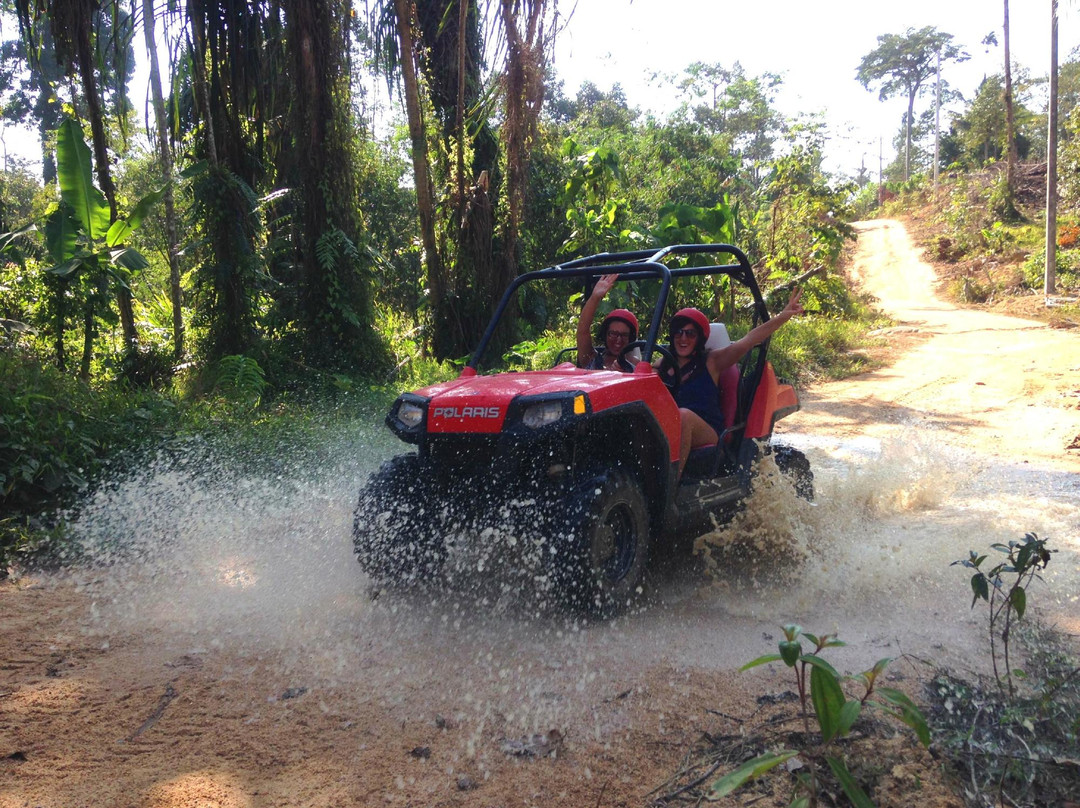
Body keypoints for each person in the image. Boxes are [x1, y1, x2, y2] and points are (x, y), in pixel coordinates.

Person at [662, 287, 804, 478]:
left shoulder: (712, 361)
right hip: (669, 427)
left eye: (690, 333)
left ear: (700, 338)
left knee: (684, 416)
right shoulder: (663, 363)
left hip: (706, 430)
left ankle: (669, 486)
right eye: (678, 332)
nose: (683, 338)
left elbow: (749, 340)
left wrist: (783, 316)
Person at [576, 273, 639, 371]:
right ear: (605, 334)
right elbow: (582, 331)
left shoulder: (634, 364)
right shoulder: (592, 358)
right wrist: (595, 297)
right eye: (613, 334)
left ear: (630, 338)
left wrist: (625, 371)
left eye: (624, 335)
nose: (618, 340)